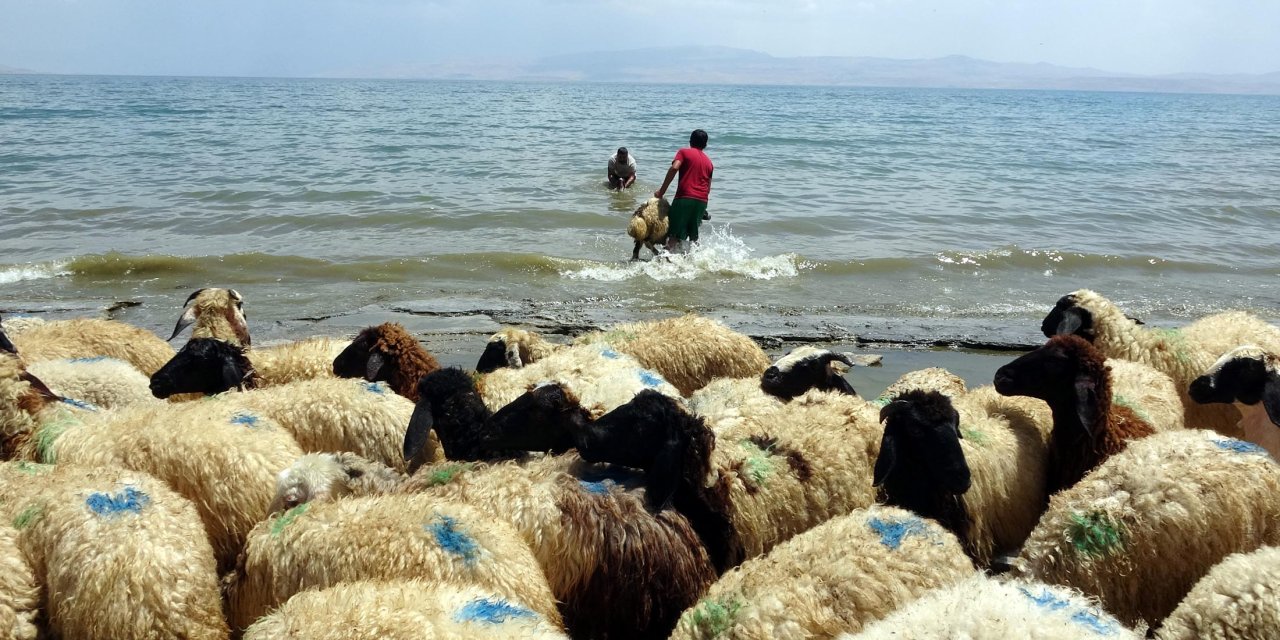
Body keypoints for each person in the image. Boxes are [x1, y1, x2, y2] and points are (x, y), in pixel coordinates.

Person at [654, 129, 713, 253]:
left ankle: (664, 262)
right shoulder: (709, 163)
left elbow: (674, 168)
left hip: (685, 198)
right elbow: (708, 188)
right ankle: (697, 261)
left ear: (690, 141)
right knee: (693, 237)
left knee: (674, 236)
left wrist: (661, 192)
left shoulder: (684, 152)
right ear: (706, 145)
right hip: (702, 201)